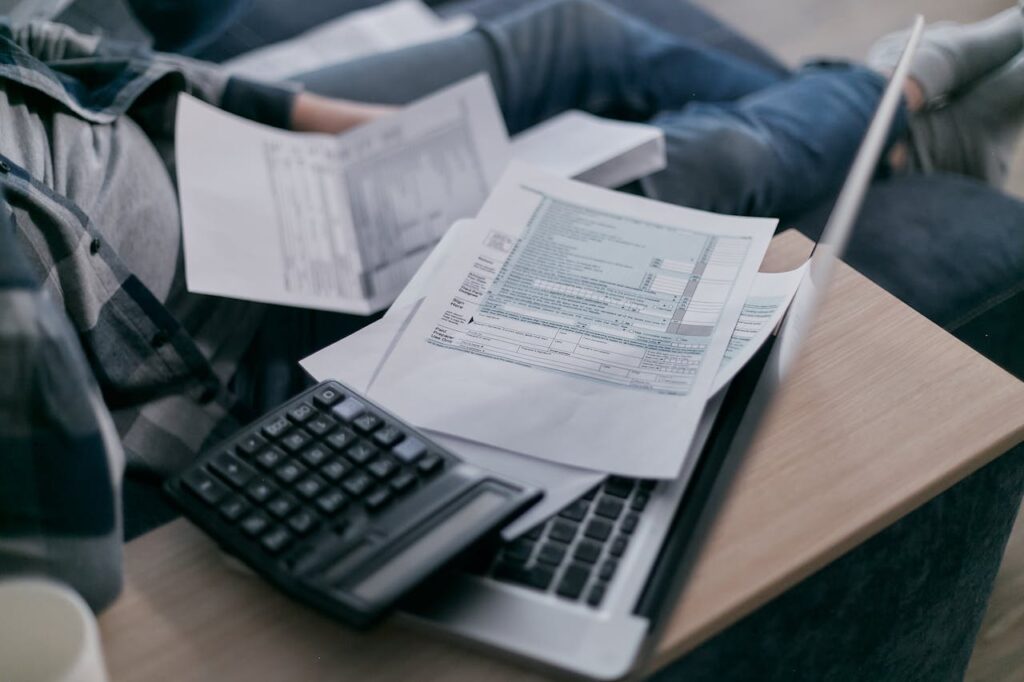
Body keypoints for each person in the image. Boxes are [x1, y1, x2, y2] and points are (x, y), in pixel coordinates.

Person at [0, 0, 1021, 612]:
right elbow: (68, 582)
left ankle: (878, 131)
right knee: (697, 172)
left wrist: (310, 124)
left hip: (233, 169)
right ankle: (900, 98)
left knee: (567, 32)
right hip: (234, 351)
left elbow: (47, 51)